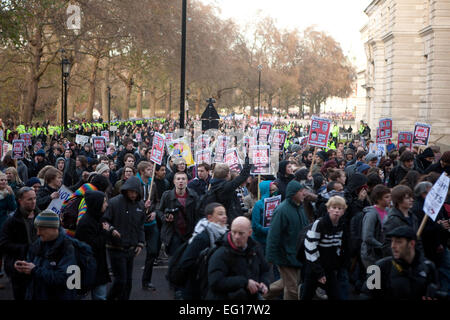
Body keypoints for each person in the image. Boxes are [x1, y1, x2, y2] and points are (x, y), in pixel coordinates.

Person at [361, 226, 440, 300]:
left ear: (411, 244)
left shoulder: (428, 267)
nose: (393, 246)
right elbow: (366, 296)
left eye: (398, 242)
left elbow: (434, 291)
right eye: (392, 241)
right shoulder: (378, 268)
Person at [14, 210, 78, 300]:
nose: (38, 233)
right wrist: (24, 267)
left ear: (54, 228)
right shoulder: (37, 244)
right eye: (37, 229)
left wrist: (34, 270)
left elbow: (65, 279)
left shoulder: (67, 248)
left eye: (42, 229)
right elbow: (32, 268)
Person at [102, 176, 146, 300]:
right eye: (131, 191)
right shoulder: (114, 202)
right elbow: (104, 221)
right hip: (115, 247)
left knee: (128, 282)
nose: (133, 194)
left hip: (131, 248)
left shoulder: (140, 205)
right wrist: (111, 230)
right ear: (126, 190)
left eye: (135, 192)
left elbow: (141, 226)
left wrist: (140, 243)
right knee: (120, 281)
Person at [206, 216, 270, 300]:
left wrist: (264, 283)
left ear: (249, 233)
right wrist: (245, 282)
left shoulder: (255, 248)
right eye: (234, 232)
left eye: (241, 233)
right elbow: (215, 282)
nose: (236, 236)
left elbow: (264, 270)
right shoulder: (221, 253)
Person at [265, 180, 310, 300]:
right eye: (301, 191)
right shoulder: (282, 210)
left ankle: (261, 294)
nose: (303, 194)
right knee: (292, 290)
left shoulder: (300, 208)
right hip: (285, 256)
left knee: (284, 284)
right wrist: (270, 258)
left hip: (298, 255)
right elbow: (273, 236)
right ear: (293, 193)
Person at [300, 196, 348, 300]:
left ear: (343, 211)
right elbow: (310, 248)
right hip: (314, 268)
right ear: (328, 209)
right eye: (334, 207)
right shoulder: (319, 224)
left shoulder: (341, 225)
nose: (336, 211)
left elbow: (339, 248)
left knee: (336, 295)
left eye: (339, 208)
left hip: (329, 269)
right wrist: (319, 272)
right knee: (307, 296)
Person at [177, 202, 228, 299]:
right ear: (210, 217)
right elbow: (186, 263)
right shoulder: (202, 237)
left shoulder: (224, 234)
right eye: (220, 214)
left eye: (225, 214)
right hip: (196, 288)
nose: (224, 217)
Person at [0, 187, 39, 300]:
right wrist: (26, 248)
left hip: (38, 265)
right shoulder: (12, 220)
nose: (33, 202)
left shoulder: (40, 216)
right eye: (29, 199)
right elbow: (4, 244)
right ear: (20, 200)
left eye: (35, 198)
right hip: (19, 266)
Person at [75, 190, 111, 300]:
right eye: (104, 202)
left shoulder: (98, 218)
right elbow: (94, 245)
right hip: (87, 268)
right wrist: (105, 232)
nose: (106, 204)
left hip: (97, 267)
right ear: (97, 204)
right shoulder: (85, 223)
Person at [382, 185, 421, 257]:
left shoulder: (413, 217)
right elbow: (387, 245)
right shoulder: (393, 220)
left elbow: (418, 240)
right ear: (398, 200)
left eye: (411, 197)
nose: (411, 200)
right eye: (407, 198)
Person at [209, 161, 251, 226]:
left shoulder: (213, 186)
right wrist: (248, 160)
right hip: (228, 222)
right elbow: (243, 176)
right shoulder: (225, 187)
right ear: (228, 174)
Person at [361, 184, 391, 269]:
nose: (389, 199)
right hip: (372, 255)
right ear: (378, 199)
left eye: (390, 196)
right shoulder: (371, 214)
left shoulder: (388, 211)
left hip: (383, 254)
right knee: (375, 281)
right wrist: (382, 246)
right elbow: (367, 237)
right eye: (386, 197)